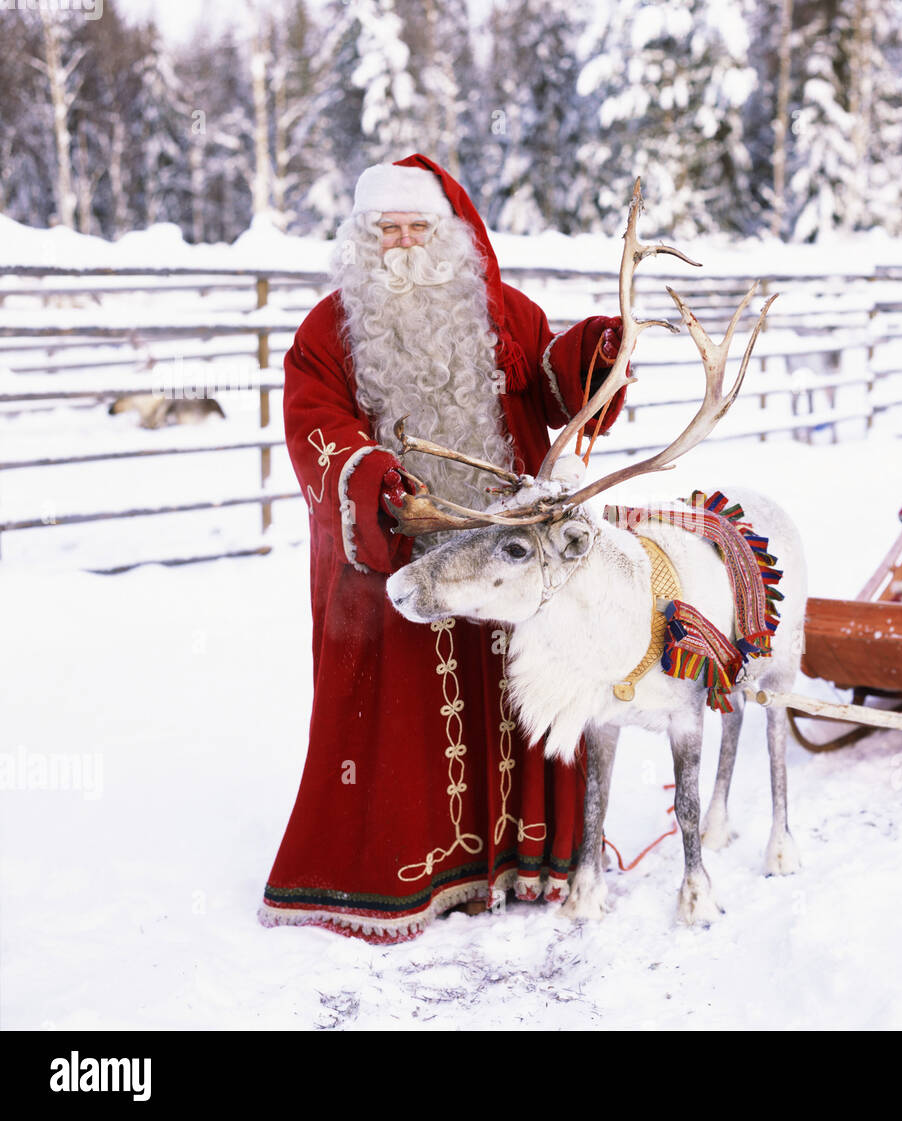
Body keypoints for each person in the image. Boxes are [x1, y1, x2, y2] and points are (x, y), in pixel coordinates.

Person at [259, 154, 625, 943]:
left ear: (447, 234)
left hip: (504, 560)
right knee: (400, 721)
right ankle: (406, 870)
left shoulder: (500, 313)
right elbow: (312, 424)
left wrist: (593, 353)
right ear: (362, 237)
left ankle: (520, 859)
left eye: (415, 226)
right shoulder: (329, 330)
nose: (400, 243)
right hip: (394, 559)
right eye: (384, 229)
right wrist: (379, 483)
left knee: (514, 694)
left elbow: (551, 384)